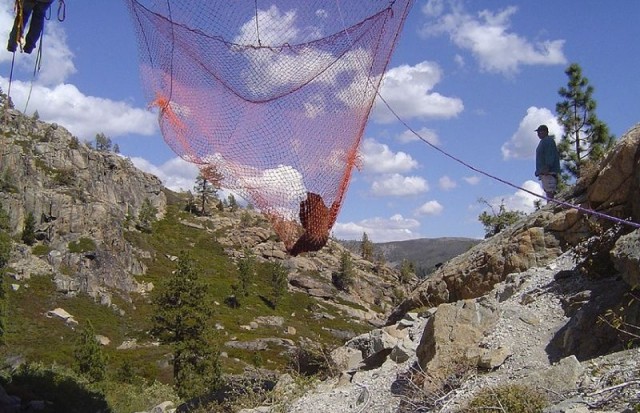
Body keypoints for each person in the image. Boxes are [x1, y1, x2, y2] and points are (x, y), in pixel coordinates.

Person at [534, 124, 561, 199]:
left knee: (550, 189)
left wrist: (547, 167)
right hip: (544, 172)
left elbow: (550, 154)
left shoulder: (548, 140)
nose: (539, 134)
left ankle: (551, 205)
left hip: (548, 172)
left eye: (541, 132)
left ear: (546, 132)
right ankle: (550, 203)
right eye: (538, 132)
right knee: (547, 189)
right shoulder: (543, 141)